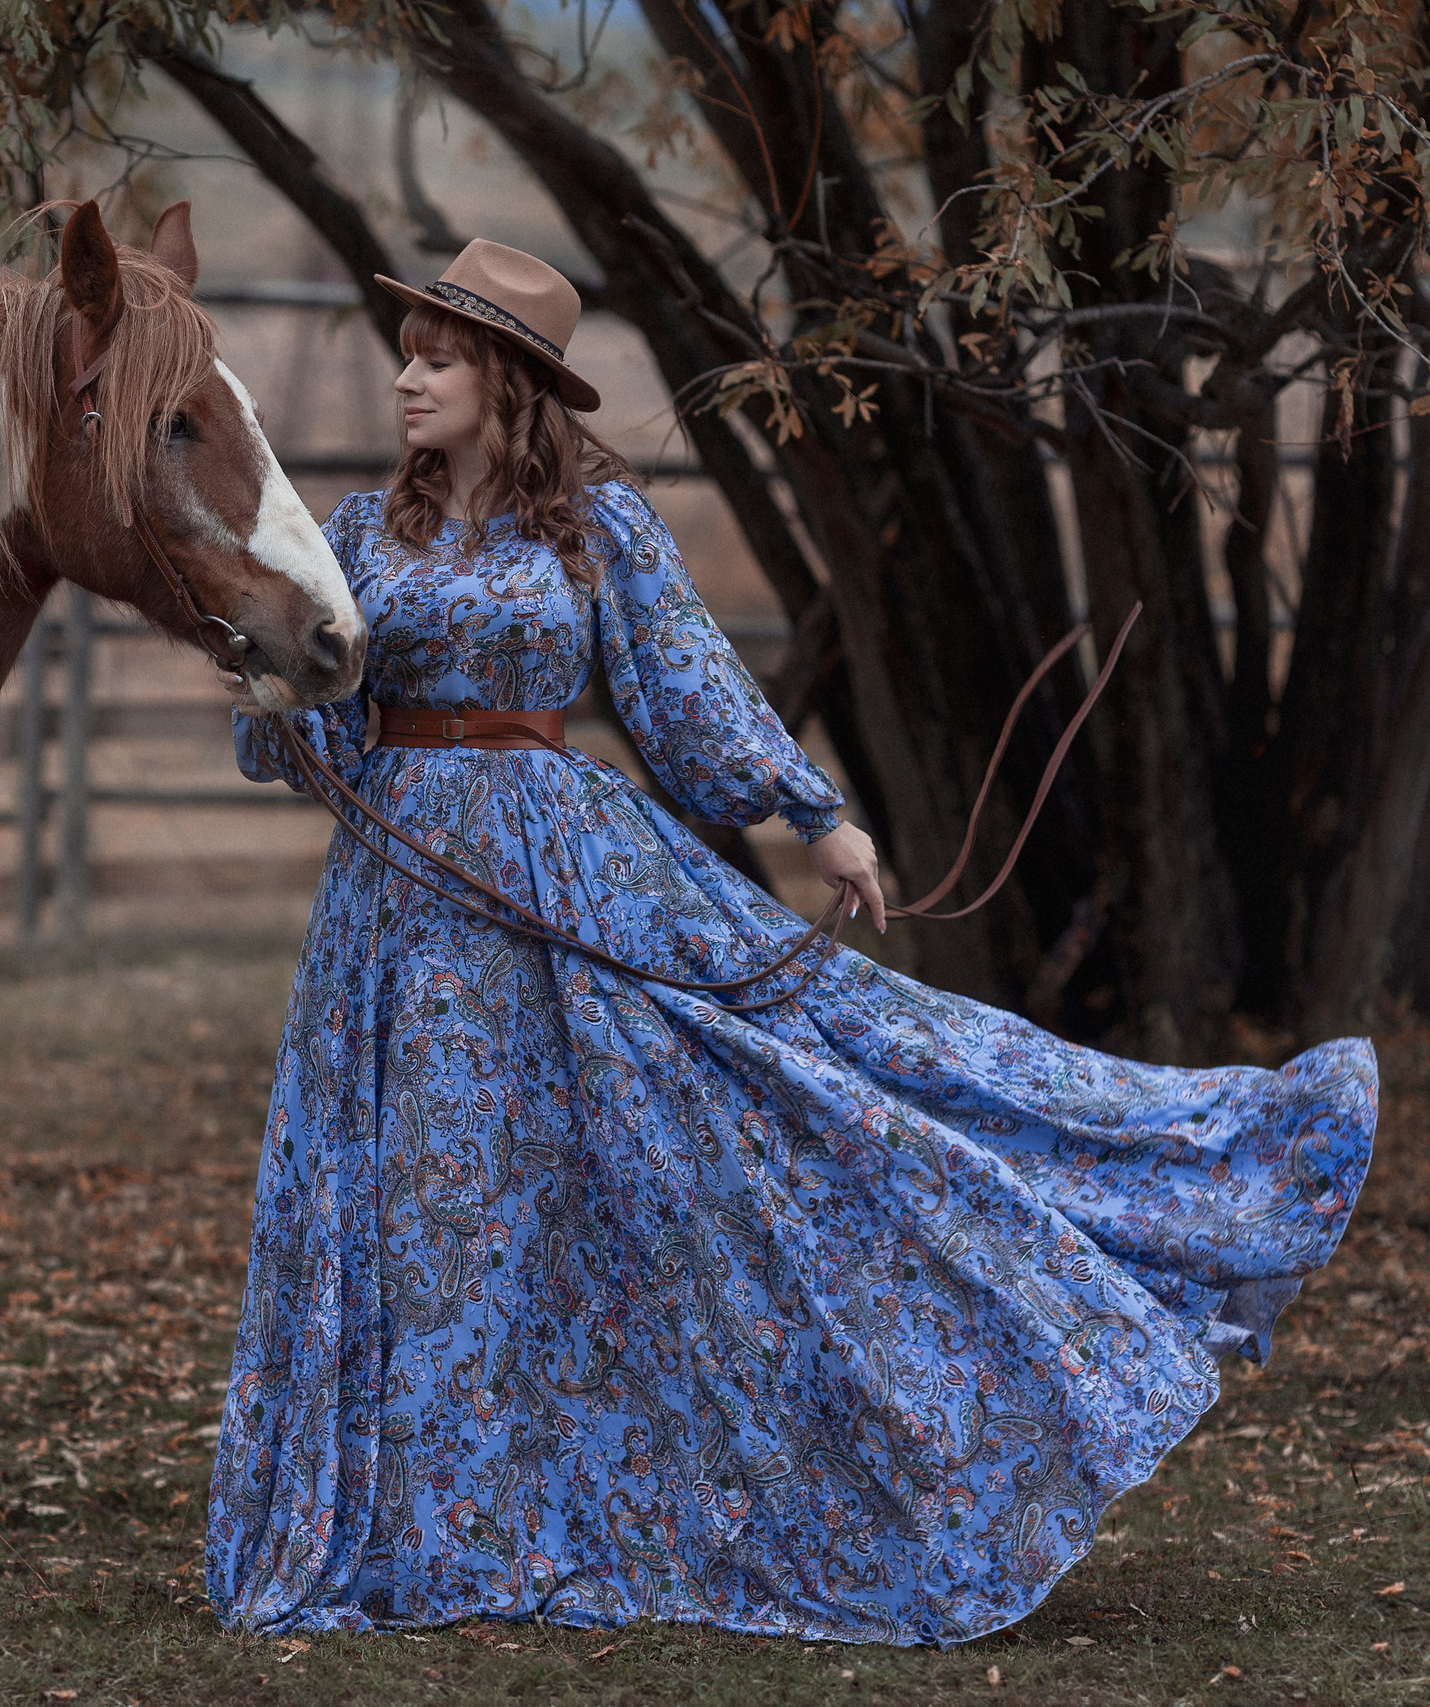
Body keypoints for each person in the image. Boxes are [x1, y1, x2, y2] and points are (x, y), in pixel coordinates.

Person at [207, 238, 1376, 1646]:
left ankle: (1141, 1213)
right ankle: (435, 1521)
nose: (408, 378)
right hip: (397, 914)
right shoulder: (349, 535)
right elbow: (306, 737)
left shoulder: (599, 533)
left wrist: (819, 818)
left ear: (507, 385)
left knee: (741, 1117)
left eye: (438, 358)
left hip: (560, 879)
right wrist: (269, 690)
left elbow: (687, 690)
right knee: (422, 1204)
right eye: (410, 353)